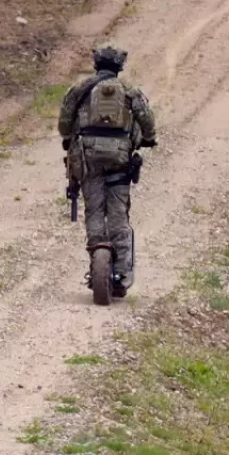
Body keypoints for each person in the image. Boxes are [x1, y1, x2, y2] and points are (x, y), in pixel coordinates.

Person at [58, 46, 156, 297]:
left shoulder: (80, 89)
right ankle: (122, 273)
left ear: (96, 64)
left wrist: (70, 139)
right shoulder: (129, 91)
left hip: (87, 158)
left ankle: (97, 256)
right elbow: (146, 119)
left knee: (94, 207)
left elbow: (64, 123)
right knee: (118, 211)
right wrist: (149, 138)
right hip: (120, 158)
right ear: (119, 67)